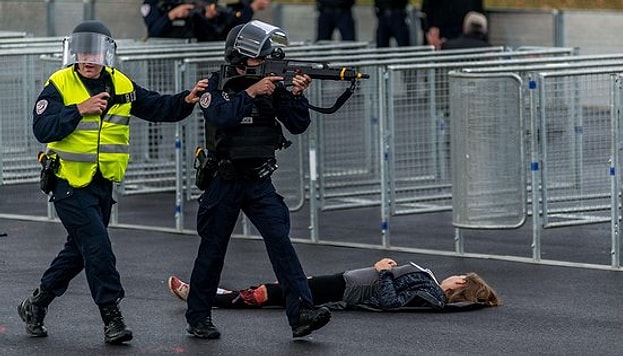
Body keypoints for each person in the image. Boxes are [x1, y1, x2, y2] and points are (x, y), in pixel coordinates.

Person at [18, 20, 208, 344]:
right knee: (98, 247)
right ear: (74, 54)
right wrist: (79, 109)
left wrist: (186, 100)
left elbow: (155, 106)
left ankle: (36, 303)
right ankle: (112, 318)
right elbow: (42, 128)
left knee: (79, 253)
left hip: (102, 183)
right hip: (67, 182)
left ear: (105, 53)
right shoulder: (59, 83)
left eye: (94, 53)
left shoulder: (120, 83)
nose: (88, 60)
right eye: (83, 54)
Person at [185, 20, 331, 340]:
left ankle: (301, 312)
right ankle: (198, 316)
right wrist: (252, 91)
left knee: (281, 242)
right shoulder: (216, 84)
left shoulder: (271, 85)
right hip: (224, 179)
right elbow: (220, 116)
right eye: (257, 58)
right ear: (239, 58)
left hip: (259, 180)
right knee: (213, 250)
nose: (264, 64)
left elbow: (298, 124)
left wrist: (294, 94)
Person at [168, 258, 502, 311]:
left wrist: (383, 270)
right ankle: (214, 293)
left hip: (347, 289)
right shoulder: (429, 286)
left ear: (459, 282)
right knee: (281, 286)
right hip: (346, 281)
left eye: (457, 276)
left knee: (276, 293)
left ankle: (202, 298)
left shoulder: (431, 293)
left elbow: (391, 302)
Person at [427, 11, 491, 50]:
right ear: (485, 30)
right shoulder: (488, 50)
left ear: (465, 27)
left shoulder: (447, 46)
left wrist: (434, 46)